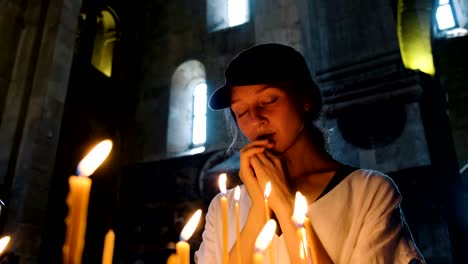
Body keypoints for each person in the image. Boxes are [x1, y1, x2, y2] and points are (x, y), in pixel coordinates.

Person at [195, 43, 425, 264]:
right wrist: (259, 210)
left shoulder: (368, 192)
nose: (255, 119)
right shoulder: (223, 207)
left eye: (269, 100)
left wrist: (284, 204)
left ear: (306, 99)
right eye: (242, 111)